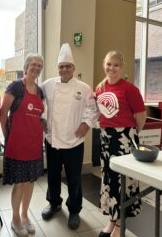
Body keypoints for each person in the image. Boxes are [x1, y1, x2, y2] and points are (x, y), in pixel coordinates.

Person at [41, 43, 99, 230]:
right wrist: (42, 119)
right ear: (57, 68)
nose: (64, 69)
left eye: (67, 66)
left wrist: (86, 124)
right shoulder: (48, 85)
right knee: (53, 175)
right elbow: (38, 104)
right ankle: (54, 203)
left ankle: (74, 210)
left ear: (73, 68)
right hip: (53, 139)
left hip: (74, 141)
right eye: (61, 66)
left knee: (74, 178)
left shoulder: (84, 88)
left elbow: (93, 109)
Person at [95, 51, 147, 237]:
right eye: (109, 64)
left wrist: (131, 135)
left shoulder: (130, 89)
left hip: (125, 138)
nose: (112, 68)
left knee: (123, 181)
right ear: (104, 65)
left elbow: (141, 117)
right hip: (106, 139)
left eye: (116, 65)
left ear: (122, 67)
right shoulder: (100, 88)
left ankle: (119, 224)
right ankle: (111, 220)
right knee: (109, 180)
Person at [0, 54, 44, 237]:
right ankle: (15, 219)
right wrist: (7, 138)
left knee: (30, 182)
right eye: (33, 64)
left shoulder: (40, 91)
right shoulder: (16, 86)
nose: (36, 68)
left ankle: (26, 216)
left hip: (34, 144)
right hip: (17, 144)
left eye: (39, 65)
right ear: (26, 67)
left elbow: (38, 116)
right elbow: (2, 115)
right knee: (19, 183)